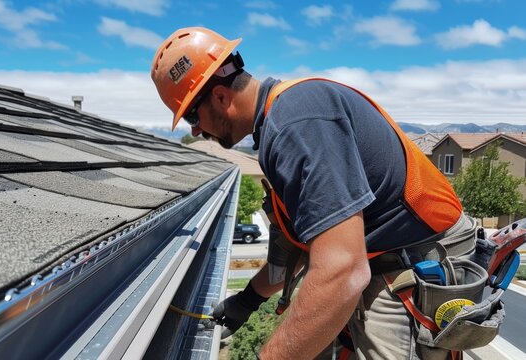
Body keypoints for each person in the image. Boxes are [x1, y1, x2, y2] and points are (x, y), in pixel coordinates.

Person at [150, 27, 480, 359]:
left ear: (220, 97)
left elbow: (342, 271)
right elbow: (299, 249)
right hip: (379, 258)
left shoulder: (296, 124)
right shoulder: (278, 123)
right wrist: (248, 299)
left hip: (418, 258)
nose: (194, 130)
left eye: (192, 114)